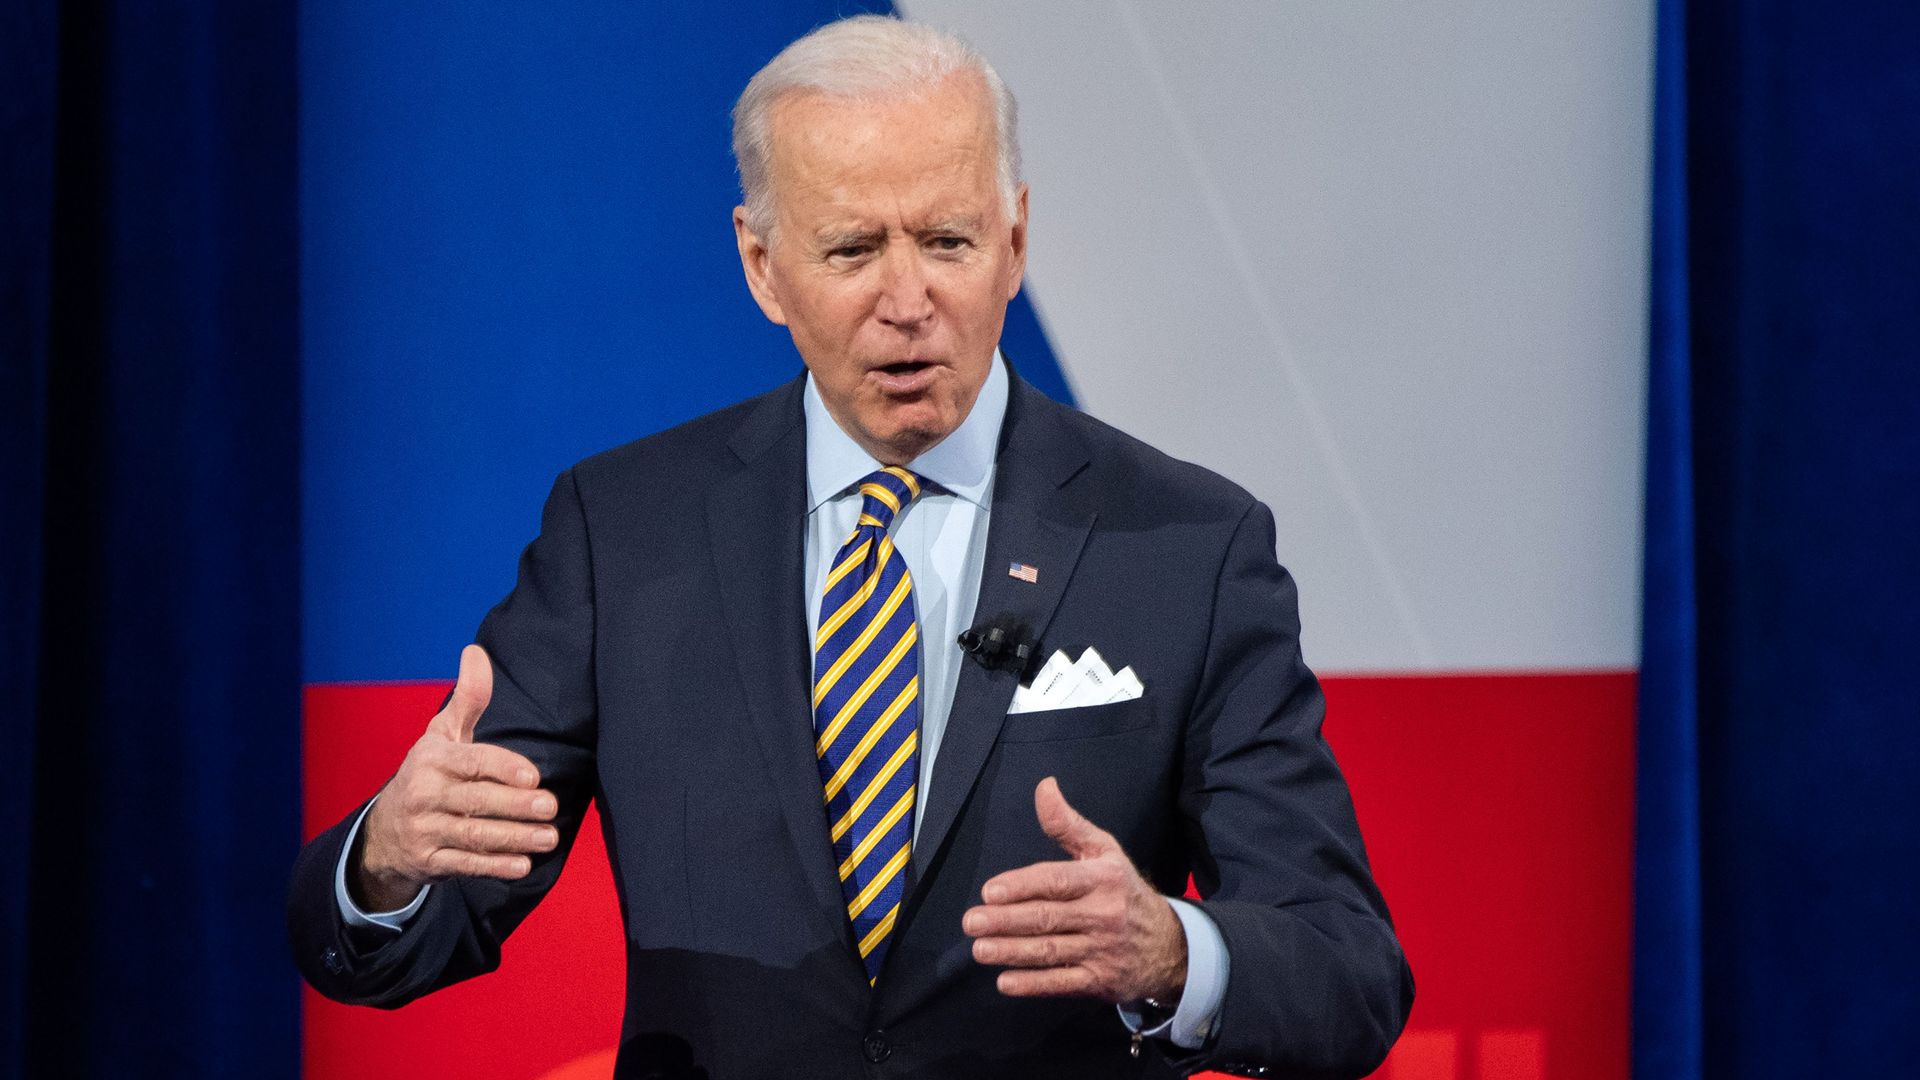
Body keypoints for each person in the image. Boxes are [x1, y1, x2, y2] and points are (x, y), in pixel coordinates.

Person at [288, 15, 1411, 1079]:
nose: (905, 299)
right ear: (762, 265)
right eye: (851, 248)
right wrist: (386, 857)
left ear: (1015, 240)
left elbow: (1351, 975)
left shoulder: (1185, 545)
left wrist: (1173, 951)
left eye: (947, 240)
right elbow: (400, 939)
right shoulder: (621, 531)